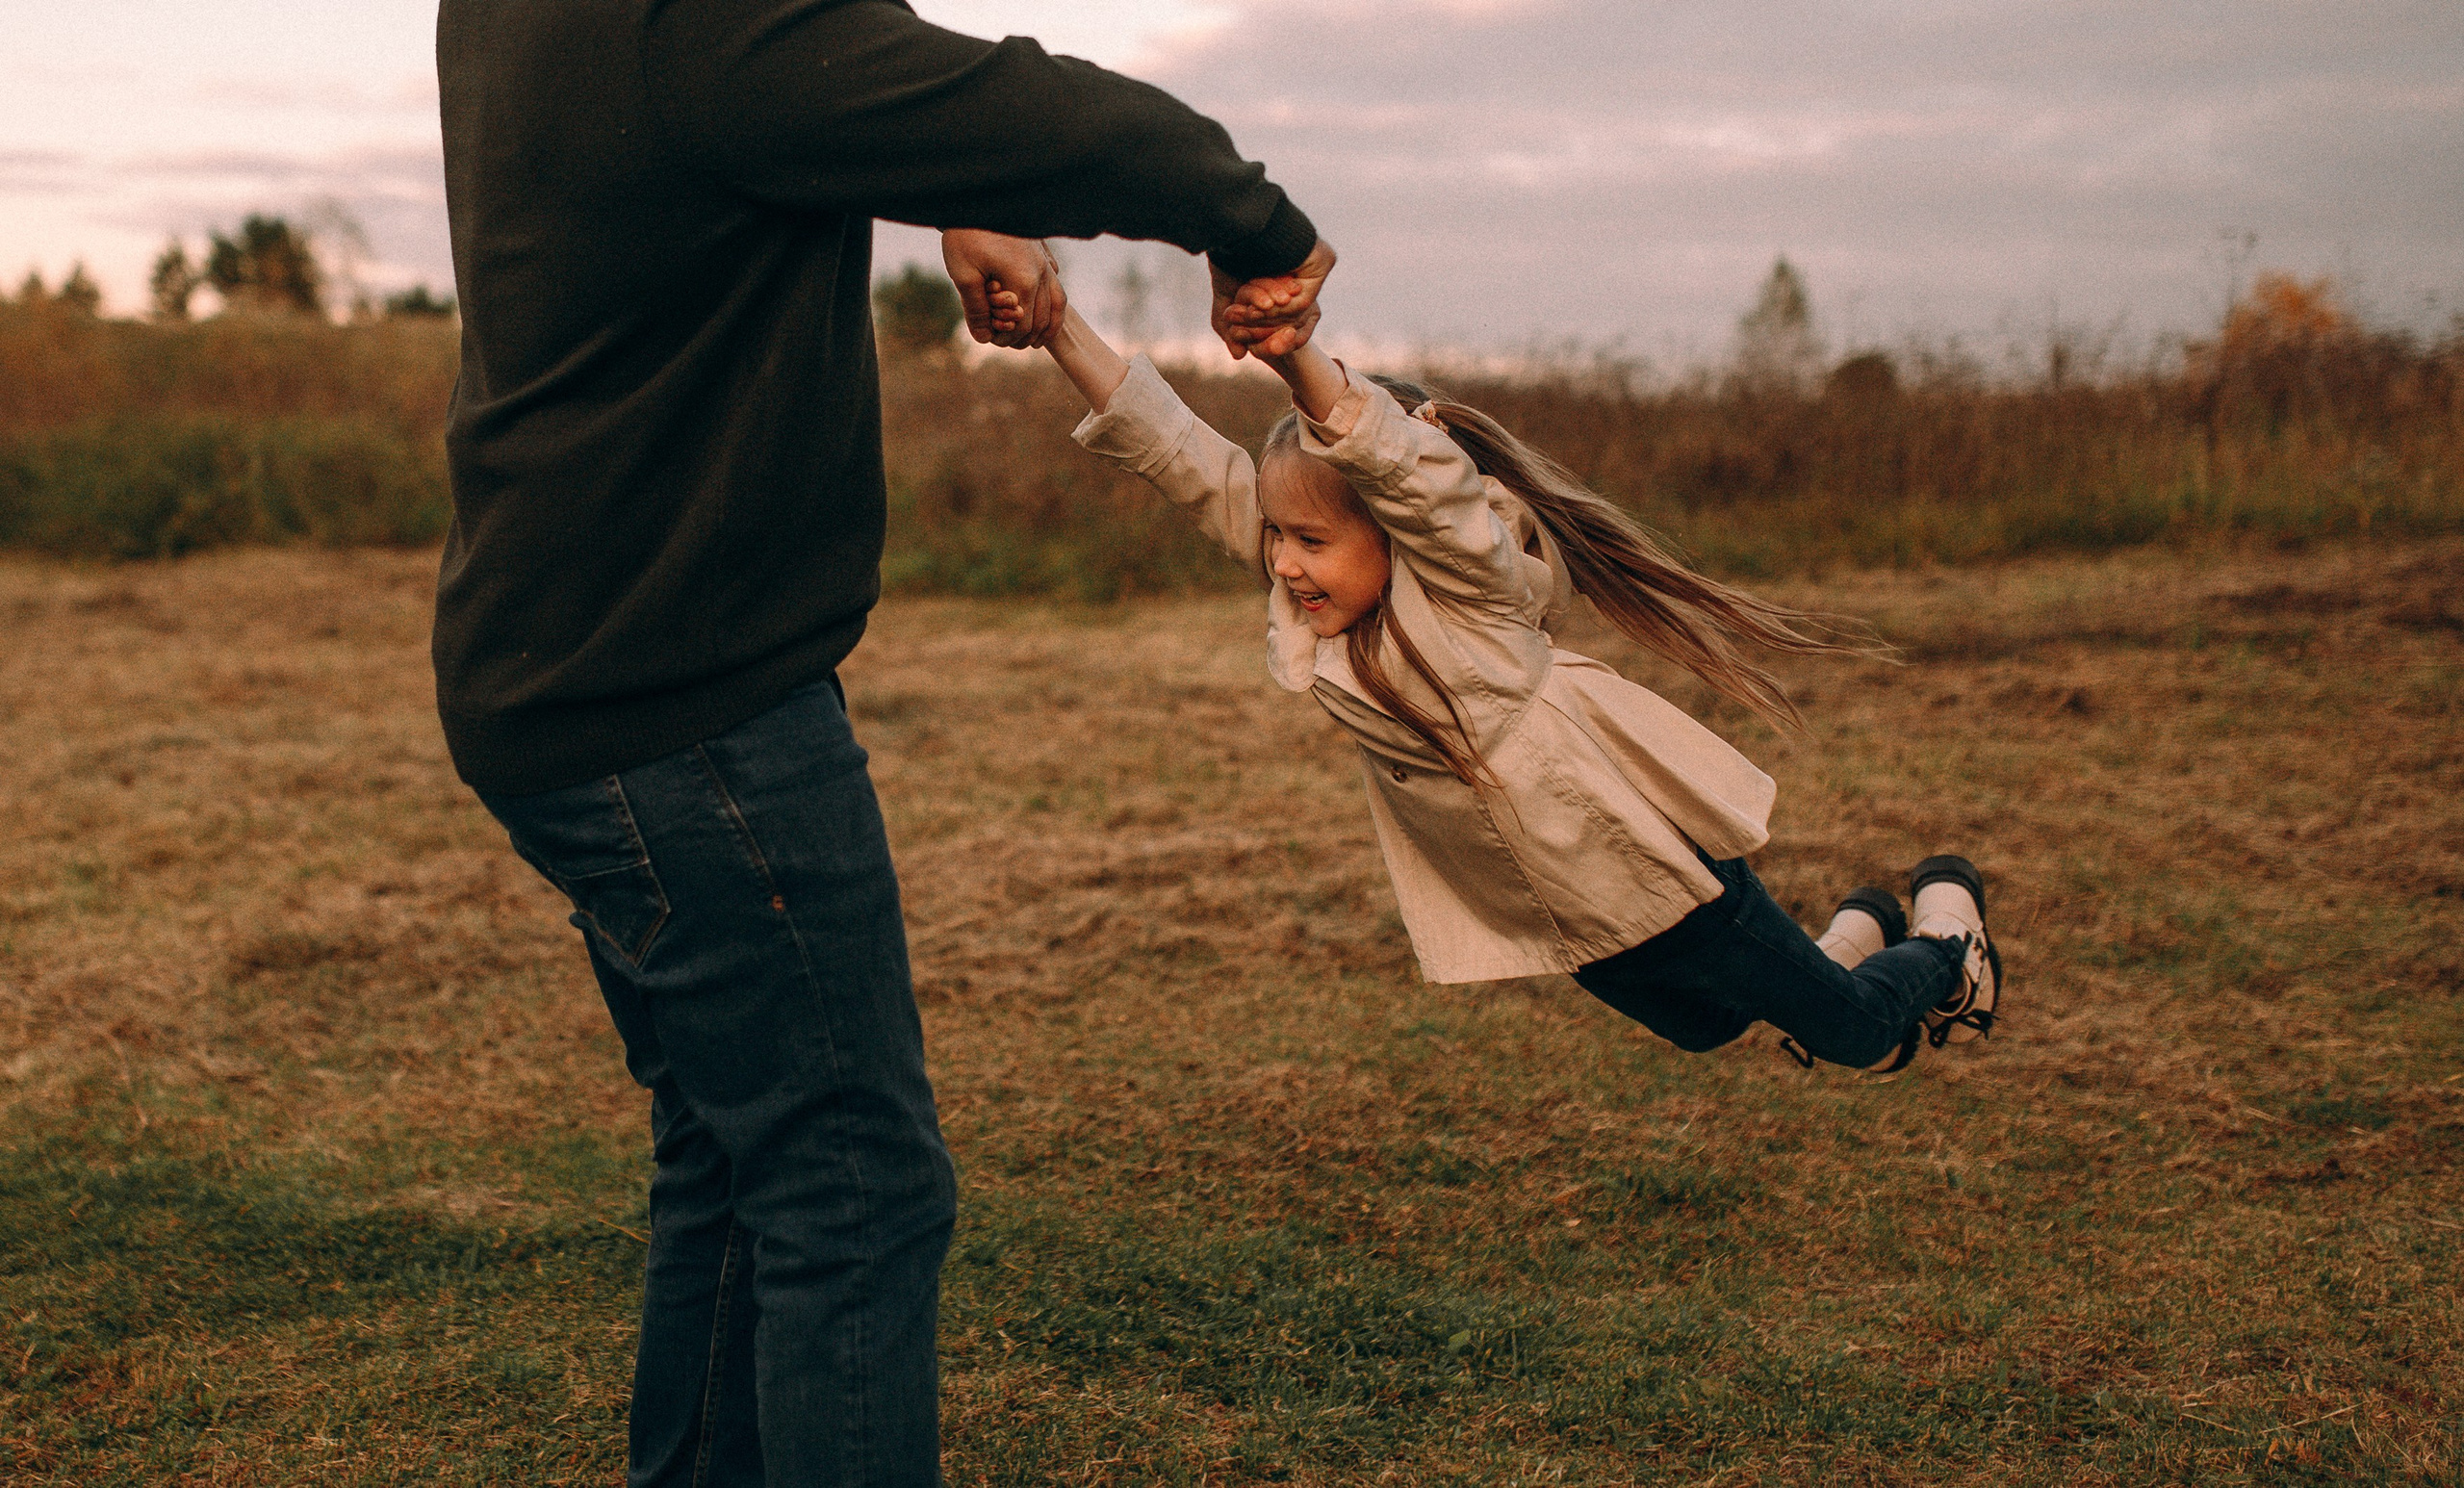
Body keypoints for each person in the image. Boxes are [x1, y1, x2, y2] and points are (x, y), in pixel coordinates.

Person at [432, 3, 1333, 1483]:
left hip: (562, 675)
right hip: (688, 713)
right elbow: (994, 103)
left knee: (735, 1160)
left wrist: (953, 189)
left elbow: (807, 93)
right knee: (853, 1189)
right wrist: (1249, 215)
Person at [1031, 294, 2004, 1076]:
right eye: (1278, 536)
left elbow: (1419, 484)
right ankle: (1845, 938)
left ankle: (1948, 930)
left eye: (1310, 540)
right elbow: (1182, 461)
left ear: (1399, 534)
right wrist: (1057, 324)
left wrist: (1295, 355)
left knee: (1860, 1036)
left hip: (1650, 876)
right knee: (1707, 1027)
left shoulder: (1471, 592)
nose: (1281, 563)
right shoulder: (1321, 592)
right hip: (1559, 911)